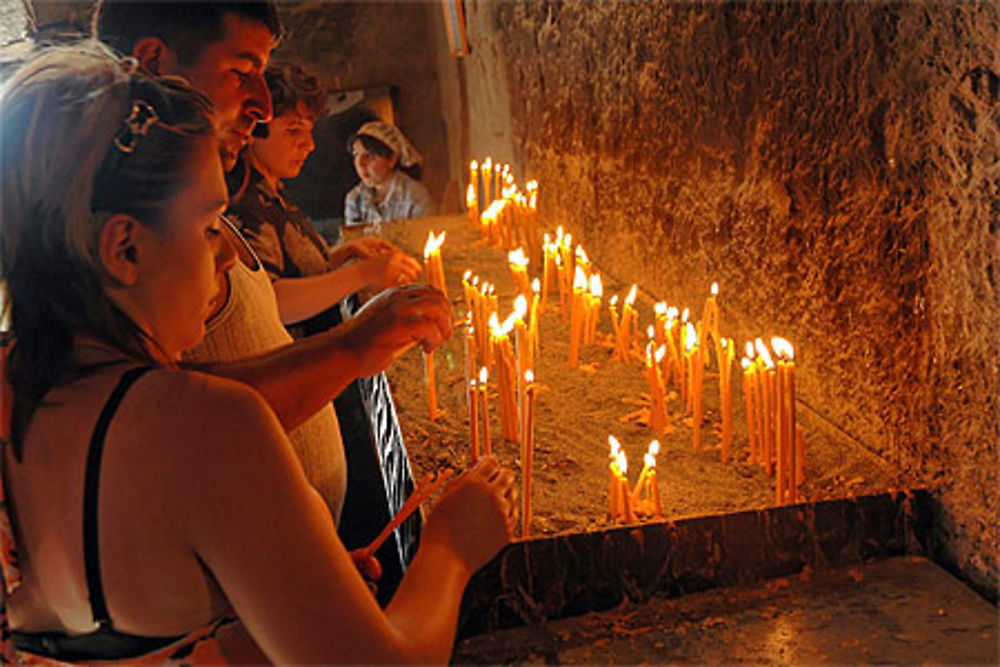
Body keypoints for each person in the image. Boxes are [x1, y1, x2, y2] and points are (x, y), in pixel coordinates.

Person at [0, 43, 516, 664]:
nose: (225, 256)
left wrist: (272, 602)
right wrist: (451, 548)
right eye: (211, 225)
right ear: (125, 249)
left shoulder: (18, 394)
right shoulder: (209, 424)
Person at [93, 0, 435, 582]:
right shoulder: (131, 225)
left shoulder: (189, 194)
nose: (263, 105)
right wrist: (350, 346)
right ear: (152, 60)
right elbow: (154, 418)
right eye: (240, 70)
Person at [231, 61, 427, 600]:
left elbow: (299, 270)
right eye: (294, 131)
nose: (309, 145)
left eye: (309, 131)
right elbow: (270, 298)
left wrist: (342, 256)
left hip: (328, 375)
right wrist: (358, 276)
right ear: (253, 128)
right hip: (307, 380)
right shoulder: (242, 206)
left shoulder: (271, 193)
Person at [344, 120, 435, 226]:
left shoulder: (415, 197)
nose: (360, 164)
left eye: (369, 156)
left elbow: (426, 235)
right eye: (356, 155)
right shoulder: (355, 199)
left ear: (392, 159)